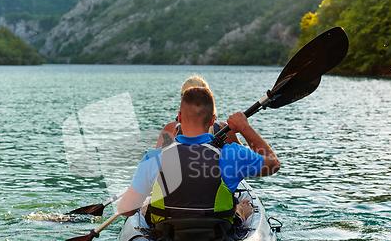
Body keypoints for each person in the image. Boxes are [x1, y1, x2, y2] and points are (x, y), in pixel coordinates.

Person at [118, 86, 280, 226]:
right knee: (236, 206)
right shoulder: (232, 155)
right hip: (218, 232)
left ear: (179, 118)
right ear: (212, 121)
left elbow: (126, 210)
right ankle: (239, 212)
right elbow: (273, 164)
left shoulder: (153, 159)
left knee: (147, 206)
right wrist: (244, 128)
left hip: (166, 233)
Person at [155, 75, 241, 148]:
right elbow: (250, 160)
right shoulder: (223, 129)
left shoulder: (170, 130)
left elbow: (154, 163)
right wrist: (244, 128)